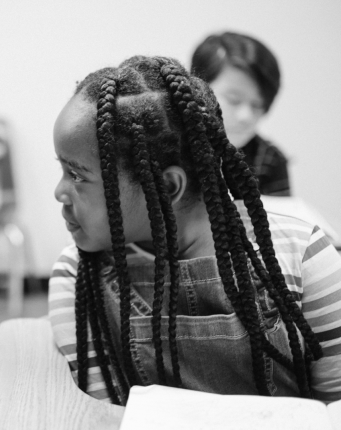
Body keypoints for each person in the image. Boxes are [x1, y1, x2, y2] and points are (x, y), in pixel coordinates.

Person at [49, 56, 341, 406]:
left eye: (78, 175)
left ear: (167, 187)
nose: (59, 193)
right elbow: (101, 413)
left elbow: (333, 407)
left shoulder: (304, 256)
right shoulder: (77, 274)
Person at [191, 31, 290, 196]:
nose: (246, 116)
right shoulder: (166, 144)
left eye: (257, 105)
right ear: (196, 88)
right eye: (233, 99)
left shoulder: (269, 161)